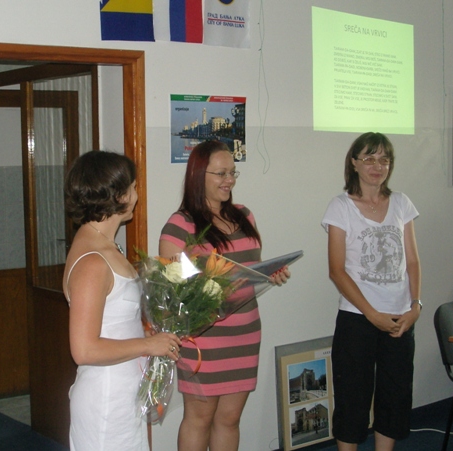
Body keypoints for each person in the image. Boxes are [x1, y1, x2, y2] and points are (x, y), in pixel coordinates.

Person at [159, 140, 290, 451]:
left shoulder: (244, 215)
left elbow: (250, 268)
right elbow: (170, 290)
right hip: (204, 339)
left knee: (230, 420)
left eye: (233, 172)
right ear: (198, 176)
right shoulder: (180, 225)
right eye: (221, 173)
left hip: (245, 334)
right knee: (199, 420)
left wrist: (270, 274)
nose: (229, 180)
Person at [63, 150, 182, 451]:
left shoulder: (102, 244)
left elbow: (112, 323)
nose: (137, 194)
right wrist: (148, 345)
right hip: (107, 399)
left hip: (122, 390)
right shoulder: (93, 260)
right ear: (118, 195)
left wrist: (146, 334)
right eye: (133, 187)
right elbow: (84, 349)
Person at [321, 132, 421, 451]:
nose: (377, 166)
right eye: (369, 159)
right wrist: (372, 314)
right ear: (354, 163)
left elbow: (413, 261)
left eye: (384, 160)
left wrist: (416, 306)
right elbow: (337, 270)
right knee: (352, 398)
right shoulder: (340, 207)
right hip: (357, 318)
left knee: (395, 396)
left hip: (400, 318)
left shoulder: (402, 203)